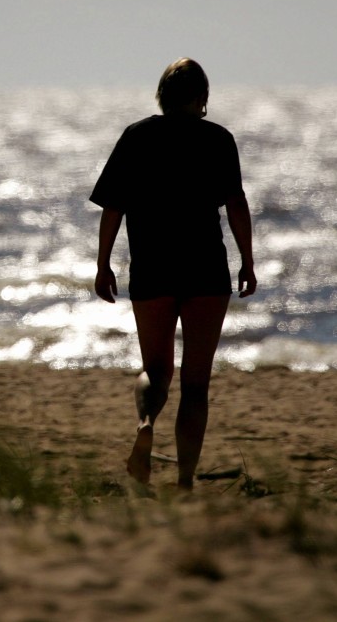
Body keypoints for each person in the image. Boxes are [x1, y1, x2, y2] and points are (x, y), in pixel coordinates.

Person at [90, 58, 256, 490]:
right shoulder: (218, 139)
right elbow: (236, 204)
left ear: (161, 97)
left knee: (156, 370)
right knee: (196, 383)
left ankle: (146, 424)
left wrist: (103, 262)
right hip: (205, 269)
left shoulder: (137, 136)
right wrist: (248, 261)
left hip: (153, 267)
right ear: (201, 99)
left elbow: (114, 206)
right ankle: (184, 481)